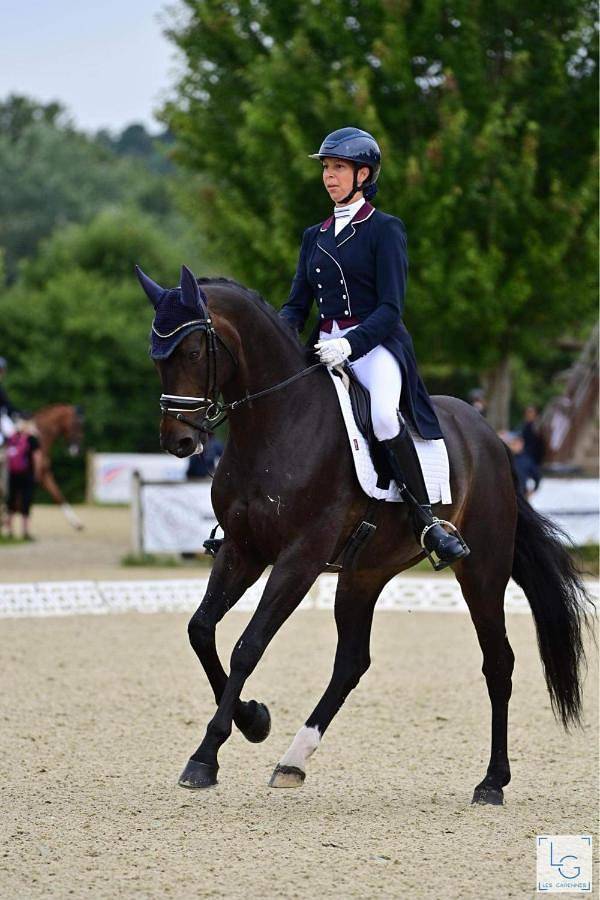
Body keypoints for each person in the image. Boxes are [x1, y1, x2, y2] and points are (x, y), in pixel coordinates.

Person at [279, 126, 469, 569]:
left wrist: (350, 344)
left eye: (339, 168)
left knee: (383, 414)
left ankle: (426, 520)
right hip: (323, 344)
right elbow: (295, 305)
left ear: (363, 174)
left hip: (373, 344)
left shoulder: (385, 230)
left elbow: (390, 307)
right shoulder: (315, 236)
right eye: (326, 168)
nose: (329, 176)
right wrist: (281, 339)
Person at [6, 415, 42, 540]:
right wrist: (37, 473)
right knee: (26, 501)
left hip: (12, 474)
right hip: (27, 474)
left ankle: (9, 530)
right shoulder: (32, 439)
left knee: (11, 500)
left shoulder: (12, 437)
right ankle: (25, 531)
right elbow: (37, 457)